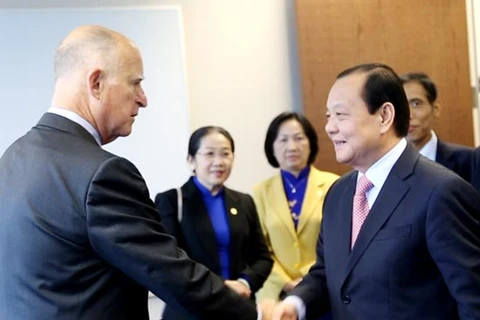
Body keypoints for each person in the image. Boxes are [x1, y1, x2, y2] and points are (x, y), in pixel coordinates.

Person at [0, 25, 267, 320]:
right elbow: (169, 271)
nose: (143, 98)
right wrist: (251, 313)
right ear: (96, 82)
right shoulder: (103, 174)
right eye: (135, 83)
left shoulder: (13, 157)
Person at [271, 63, 480, 319]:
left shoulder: (441, 191)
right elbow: (328, 272)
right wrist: (295, 305)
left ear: (384, 117)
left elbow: (473, 299)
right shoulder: (338, 193)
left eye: (341, 114)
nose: (329, 127)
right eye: (328, 116)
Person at [155, 126, 273, 320]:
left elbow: (263, 258)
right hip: (190, 311)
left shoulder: (243, 202)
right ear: (191, 160)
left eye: (225, 154)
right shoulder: (170, 201)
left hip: (237, 309)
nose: (219, 162)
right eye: (209, 154)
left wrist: (245, 283)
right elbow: (169, 262)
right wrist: (220, 288)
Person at [253, 112, 338, 306]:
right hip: (275, 293)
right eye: (283, 140)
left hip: (323, 289)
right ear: (272, 147)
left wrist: (307, 278)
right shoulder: (260, 192)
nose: (292, 146)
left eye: (299, 138)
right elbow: (258, 249)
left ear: (311, 143)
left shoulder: (333, 184)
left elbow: (338, 243)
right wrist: (285, 282)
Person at [400, 72, 474, 181]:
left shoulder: (469, 160)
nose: (409, 115)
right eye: (401, 105)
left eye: (416, 104)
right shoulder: (387, 165)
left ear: (435, 108)